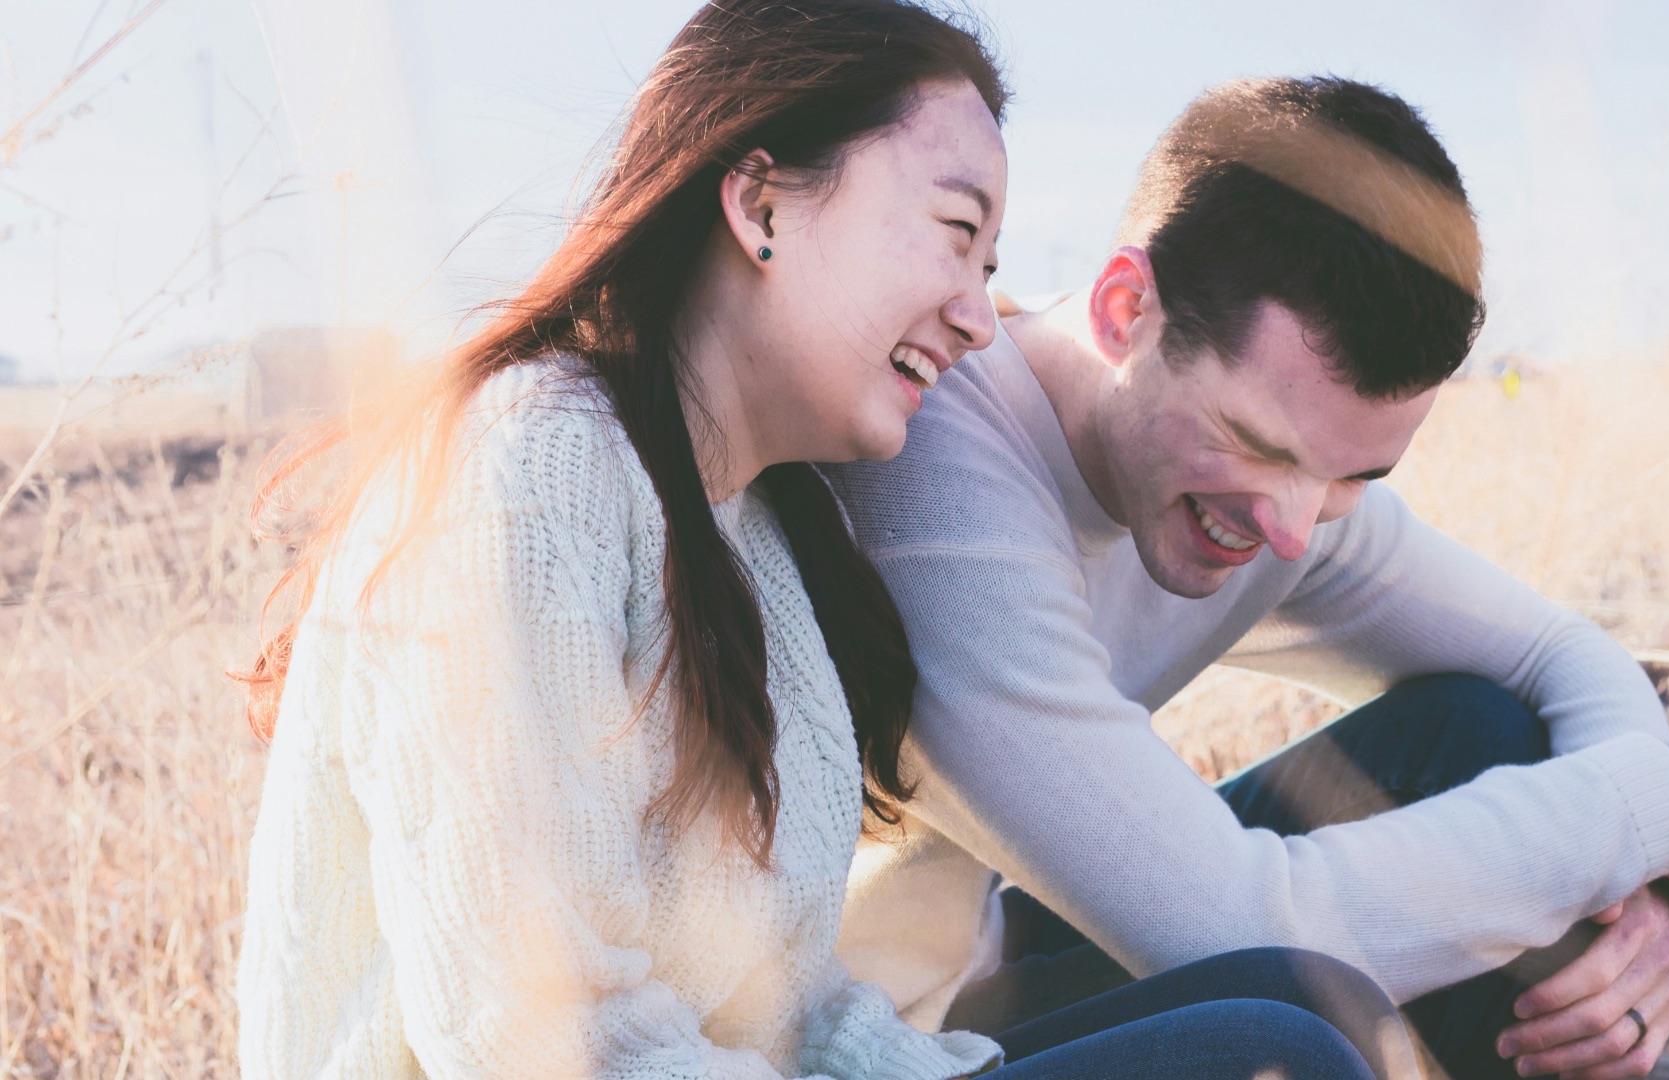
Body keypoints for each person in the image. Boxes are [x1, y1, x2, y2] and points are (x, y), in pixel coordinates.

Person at [234, 4, 1400, 1078]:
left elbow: (792, 1012)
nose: (976, 313)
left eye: (990, 269)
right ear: (760, 205)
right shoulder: (532, 473)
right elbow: (535, 1038)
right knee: (1276, 1052)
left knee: (1301, 1000)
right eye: (952, 233)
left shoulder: (759, 535)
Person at [822, 76, 1669, 1080]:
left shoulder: (1278, 493)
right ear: (1125, 309)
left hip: (985, 965)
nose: (1291, 528)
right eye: (1253, 444)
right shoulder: (935, 480)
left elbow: (1556, 650)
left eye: (1356, 474)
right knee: (1300, 1031)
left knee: (1483, 732)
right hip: (867, 1041)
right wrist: (1656, 815)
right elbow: (1239, 931)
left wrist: (1637, 900)